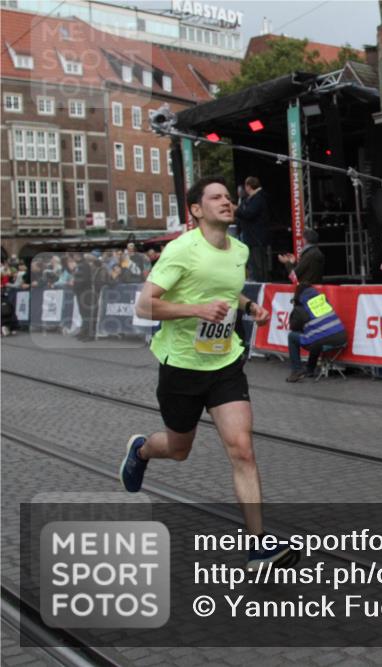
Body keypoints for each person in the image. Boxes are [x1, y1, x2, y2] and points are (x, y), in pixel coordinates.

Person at [120, 175, 293, 570]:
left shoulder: (239, 250)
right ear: (196, 210)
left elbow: (228, 290)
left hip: (224, 361)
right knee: (179, 449)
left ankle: (258, 547)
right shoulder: (181, 250)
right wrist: (196, 310)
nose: (227, 202)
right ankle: (142, 449)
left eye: (229, 197)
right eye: (216, 197)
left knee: (242, 449)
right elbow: (144, 306)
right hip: (181, 365)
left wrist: (250, 309)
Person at [285, 282, 347, 382]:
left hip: (323, 339)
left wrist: (295, 307)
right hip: (341, 337)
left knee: (293, 337)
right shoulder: (323, 300)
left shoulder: (301, 306)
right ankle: (310, 369)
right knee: (315, 336)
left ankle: (296, 370)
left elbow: (293, 326)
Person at [235, 176, 271, 282]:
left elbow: (249, 214)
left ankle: (261, 282)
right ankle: (255, 279)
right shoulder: (249, 198)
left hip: (257, 237)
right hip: (250, 236)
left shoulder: (259, 197)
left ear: (248, 186)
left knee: (258, 262)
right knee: (252, 262)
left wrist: (236, 210)